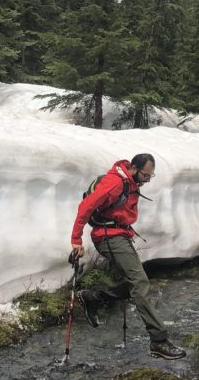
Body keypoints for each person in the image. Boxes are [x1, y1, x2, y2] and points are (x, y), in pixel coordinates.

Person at [70, 153, 186, 360]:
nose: (147, 180)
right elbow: (85, 207)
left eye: (150, 176)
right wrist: (76, 240)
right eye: (145, 175)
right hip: (107, 237)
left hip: (120, 235)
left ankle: (93, 297)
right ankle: (158, 341)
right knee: (139, 283)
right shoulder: (115, 183)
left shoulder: (131, 182)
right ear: (133, 168)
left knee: (136, 283)